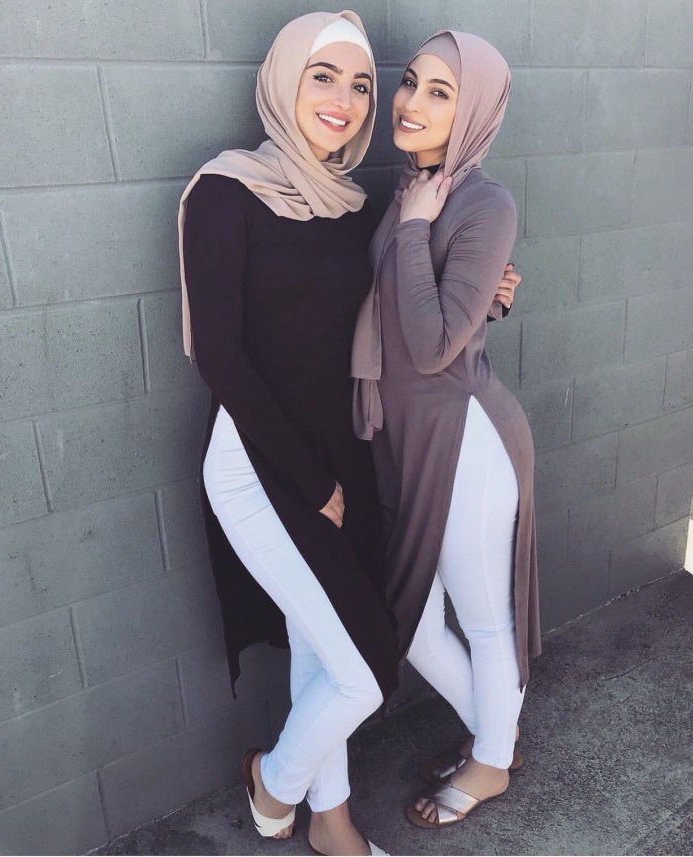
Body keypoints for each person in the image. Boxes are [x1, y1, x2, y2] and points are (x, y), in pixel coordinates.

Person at [179, 12, 520, 855]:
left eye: (361, 82)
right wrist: (313, 482)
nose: (346, 98)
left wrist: (487, 294)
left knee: (323, 645)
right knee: (365, 669)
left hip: (343, 455)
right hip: (262, 464)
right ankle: (275, 780)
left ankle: (326, 816)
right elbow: (218, 354)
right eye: (323, 75)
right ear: (284, 79)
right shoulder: (225, 191)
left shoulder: (357, 204)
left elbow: (402, 311)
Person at [352, 31, 541, 830]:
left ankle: (492, 760)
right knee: (418, 621)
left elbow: (431, 347)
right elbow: (413, 311)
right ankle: (496, 736)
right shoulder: (416, 187)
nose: (411, 102)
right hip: (413, 439)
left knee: (483, 615)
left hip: (466, 440)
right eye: (411, 82)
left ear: (476, 111)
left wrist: (412, 227)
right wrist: (478, 295)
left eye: (441, 92)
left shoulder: (480, 201)